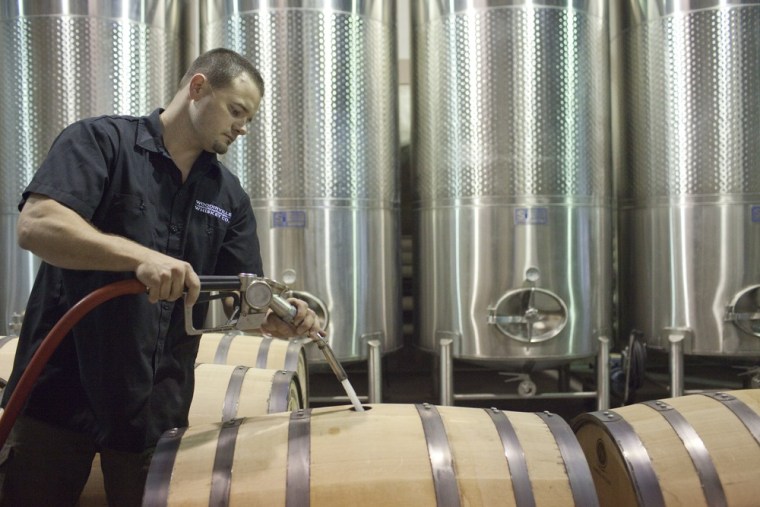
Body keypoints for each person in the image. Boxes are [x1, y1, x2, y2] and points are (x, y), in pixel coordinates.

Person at [0, 47, 321, 506]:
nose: (242, 128)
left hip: (153, 411)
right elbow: (38, 224)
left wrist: (277, 317)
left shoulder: (228, 196)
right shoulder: (102, 142)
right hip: (58, 393)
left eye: (248, 119)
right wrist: (139, 258)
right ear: (197, 88)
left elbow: (240, 300)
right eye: (236, 111)